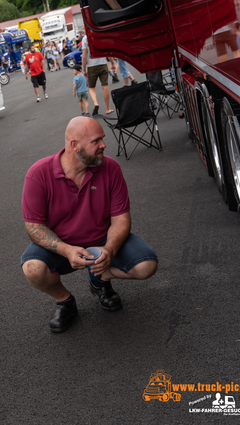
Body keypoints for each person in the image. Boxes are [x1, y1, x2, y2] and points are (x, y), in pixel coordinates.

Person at [20, 117, 158, 333]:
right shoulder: (38, 174)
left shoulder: (110, 168)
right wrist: (66, 250)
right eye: (96, 141)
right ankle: (65, 301)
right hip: (61, 244)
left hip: (102, 240)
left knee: (147, 266)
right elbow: (34, 227)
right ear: (74, 145)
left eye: (102, 139)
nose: (104, 145)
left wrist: (109, 250)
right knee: (32, 268)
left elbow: (121, 219)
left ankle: (100, 279)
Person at [81, 34, 113, 115]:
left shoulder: (85, 38)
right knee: (105, 86)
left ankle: (96, 103)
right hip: (102, 64)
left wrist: (84, 69)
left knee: (91, 88)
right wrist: (112, 63)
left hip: (91, 66)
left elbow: (84, 56)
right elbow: (108, 51)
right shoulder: (100, 34)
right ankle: (107, 108)